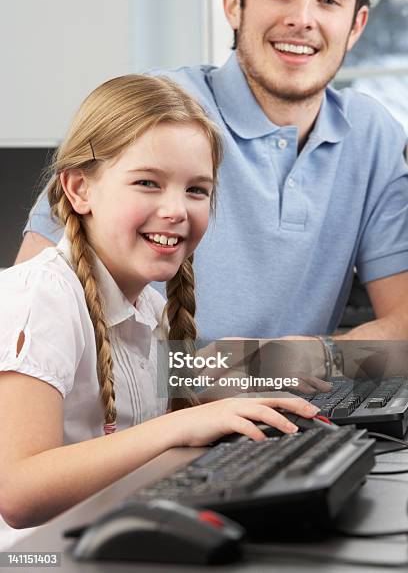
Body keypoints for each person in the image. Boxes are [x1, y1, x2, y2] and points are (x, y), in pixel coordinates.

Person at [0, 75, 320, 547]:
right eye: (148, 183)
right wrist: (178, 427)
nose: (176, 210)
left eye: (197, 190)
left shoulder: (147, 305)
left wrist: (260, 365)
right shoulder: (40, 296)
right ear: (79, 189)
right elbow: (18, 492)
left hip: (105, 541)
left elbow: (179, 382)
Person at [16, 0, 408, 344]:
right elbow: (27, 316)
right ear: (234, 4)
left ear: (356, 25)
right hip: (145, 406)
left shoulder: (373, 134)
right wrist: (226, 376)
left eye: (328, 0)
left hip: (293, 402)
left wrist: (293, 362)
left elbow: (402, 327)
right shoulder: (160, 108)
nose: (302, 18)